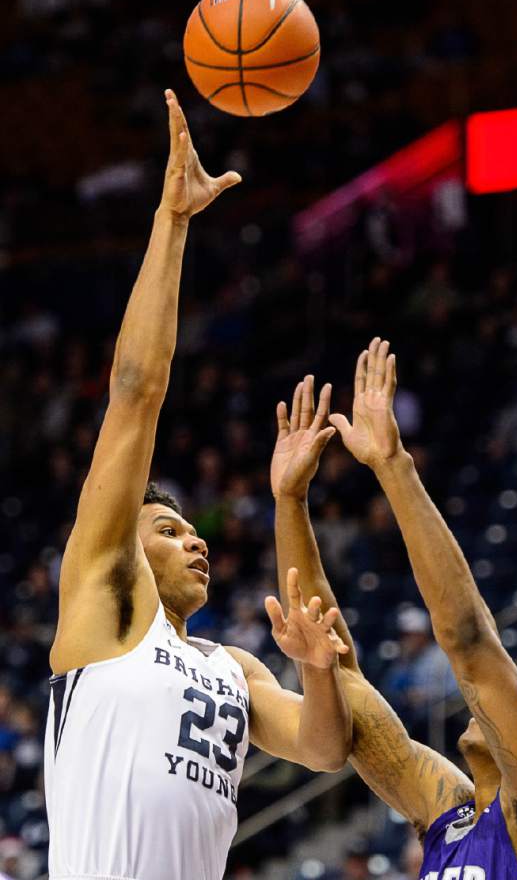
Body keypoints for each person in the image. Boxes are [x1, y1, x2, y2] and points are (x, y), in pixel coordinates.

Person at [44, 90, 352, 880]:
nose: (195, 538)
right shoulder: (106, 605)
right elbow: (138, 390)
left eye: (191, 530)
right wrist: (173, 223)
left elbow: (322, 747)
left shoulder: (235, 669)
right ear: (126, 552)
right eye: (169, 531)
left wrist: (316, 670)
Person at [271, 340, 517, 880]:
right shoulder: (447, 815)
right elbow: (339, 675)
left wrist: (393, 465)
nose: (514, 693)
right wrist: (290, 502)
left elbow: (470, 642)